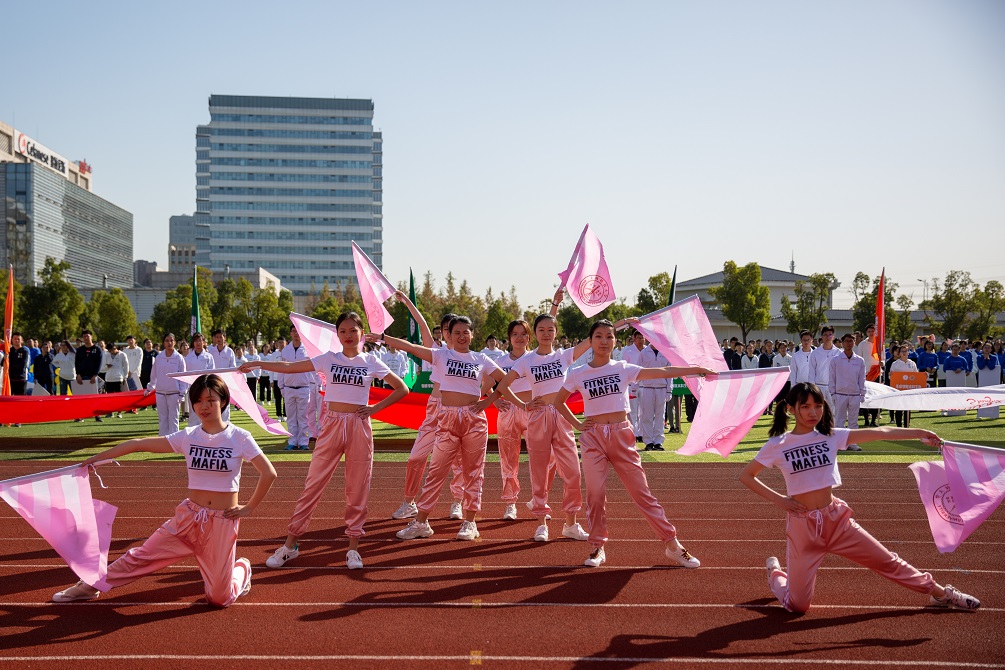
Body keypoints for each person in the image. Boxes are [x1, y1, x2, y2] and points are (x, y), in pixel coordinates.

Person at [739, 382, 980, 613]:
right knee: (797, 606)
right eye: (805, 406)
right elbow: (747, 476)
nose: (813, 412)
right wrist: (780, 500)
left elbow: (880, 431)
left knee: (888, 562)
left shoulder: (831, 436)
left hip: (837, 521)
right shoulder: (777, 444)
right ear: (790, 409)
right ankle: (776, 575)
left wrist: (919, 432)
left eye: (818, 405)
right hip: (804, 527)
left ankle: (941, 593)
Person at [52, 373, 277, 606]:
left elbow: (269, 473)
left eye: (210, 400)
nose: (204, 406)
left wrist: (249, 508)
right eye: (198, 401)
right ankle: (90, 586)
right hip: (188, 519)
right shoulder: (188, 436)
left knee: (219, 599)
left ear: (223, 401)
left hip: (222, 522)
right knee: (140, 557)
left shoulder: (239, 437)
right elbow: (138, 444)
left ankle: (241, 568)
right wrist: (97, 458)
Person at [243, 312, 407, 570]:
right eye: (343, 331)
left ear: (362, 333)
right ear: (337, 335)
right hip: (331, 425)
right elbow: (290, 367)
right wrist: (259, 364)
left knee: (357, 488)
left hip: (359, 427)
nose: (348, 335)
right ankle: (290, 545)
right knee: (313, 484)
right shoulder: (329, 359)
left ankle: (353, 548)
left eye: (353, 330)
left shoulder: (371, 361)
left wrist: (374, 410)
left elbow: (402, 388)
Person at [555, 319, 715, 568]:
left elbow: (661, 372)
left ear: (615, 341)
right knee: (595, 495)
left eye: (609, 336)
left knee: (642, 495)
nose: (604, 341)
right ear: (591, 341)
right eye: (599, 336)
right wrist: (577, 425)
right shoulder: (578, 373)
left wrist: (695, 369)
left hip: (622, 436)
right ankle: (598, 547)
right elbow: (558, 401)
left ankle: (673, 545)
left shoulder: (622, 367)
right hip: (593, 438)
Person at [388, 315, 506, 542]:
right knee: (436, 471)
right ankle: (421, 522)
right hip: (448, 418)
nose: (461, 336)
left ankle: (470, 522)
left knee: (474, 472)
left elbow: (504, 378)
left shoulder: (480, 358)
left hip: (474, 420)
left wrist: (488, 401)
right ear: (449, 335)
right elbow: (412, 346)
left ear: (472, 334)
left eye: (466, 332)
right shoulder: (442, 355)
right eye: (457, 333)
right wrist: (385, 338)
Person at [494, 304, 598, 543]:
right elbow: (502, 386)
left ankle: (571, 523)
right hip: (538, 417)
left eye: (551, 329)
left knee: (573, 472)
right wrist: (523, 404)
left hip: (561, 415)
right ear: (536, 333)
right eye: (542, 329)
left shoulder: (564, 355)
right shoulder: (526, 360)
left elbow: (591, 339)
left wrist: (622, 324)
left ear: (556, 332)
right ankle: (541, 522)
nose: (546, 333)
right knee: (538, 471)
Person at [390, 303, 466, 521]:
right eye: (444, 328)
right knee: (416, 458)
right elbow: (421, 323)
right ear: (442, 332)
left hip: (455, 411)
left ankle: (457, 502)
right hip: (434, 410)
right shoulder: (435, 351)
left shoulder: (466, 355)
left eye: (452, 327)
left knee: (458, 461)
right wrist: (407, 302)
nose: (448, 332)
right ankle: (409, 502)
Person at [145, 333, 188, 436]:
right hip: (160, 393)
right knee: (162, 419)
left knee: (173, 418)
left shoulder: (179, 358)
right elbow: (154, 375)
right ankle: (162, 441)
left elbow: (183, 377)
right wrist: (149, 388)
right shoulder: (159, 357)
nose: (169, 343)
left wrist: (182, 393)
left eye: (171, 340)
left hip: (174, 394)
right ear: (164, 343)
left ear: (175, 342)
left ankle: (174, 441)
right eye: (167, 340)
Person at [828, 334, 865, 451]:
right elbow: (832, 378)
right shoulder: (836, 360)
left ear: (854, 342)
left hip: (854, 395)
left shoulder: (859, 360)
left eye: (851, 341)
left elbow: (862, 378)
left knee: (853, 421)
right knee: (839, 420)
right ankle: (839, 443)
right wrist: (833, 393)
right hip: (840, 394)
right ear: (842, 343)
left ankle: (852, 443)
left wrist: (862, 393)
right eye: (847, 341)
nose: (849, 343)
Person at [279, 327, 313, 450]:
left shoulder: (307, 350)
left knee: (303, 417)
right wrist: (281, 386)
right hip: (288, 388)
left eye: (298, 331)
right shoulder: (285, 351)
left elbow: (313, 369)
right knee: (291, 417)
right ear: (290, 333)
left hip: (304, 387)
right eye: (293, 331)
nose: (296, 334)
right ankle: (292, 441)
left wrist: (316, 384)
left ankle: (303, 442)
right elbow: (281, 370)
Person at [637, 343, 670, 451]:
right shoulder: (644, 352)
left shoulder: (665, 352)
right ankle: (648, 441)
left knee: (660, 416)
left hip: (662, 388)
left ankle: (658, 441)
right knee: (647, 415)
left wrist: (669, 390)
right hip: (647, 387)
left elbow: (670, 373)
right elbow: (638, 370)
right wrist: (634, 387)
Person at [620, 330, 647, 442]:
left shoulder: (647, 350)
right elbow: (623, 367)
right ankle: (634, 433)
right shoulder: (628, 351)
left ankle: (642, 432)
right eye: (639, 338)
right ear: (634, 338)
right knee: (633, 410)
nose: (641, 340)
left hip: (646, 383)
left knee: (644, 410)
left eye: (642, 338)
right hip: (632, 384)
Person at [809, 325, 840, 411]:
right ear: (821, 336)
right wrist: (812, 388)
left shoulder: (839, 353)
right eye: (825, 335)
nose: (827, 337)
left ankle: (834, 425)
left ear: (833, 337)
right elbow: (811, 372)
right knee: (819, 410)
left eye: (830, 335)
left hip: (833, 387)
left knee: (834, 410)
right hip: (819, 386)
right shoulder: (815, 353)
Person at [855, 325, 881, 427]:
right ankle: (866, 419)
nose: (871, 333)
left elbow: (883, 357)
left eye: (873, 331)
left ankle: (873, 420)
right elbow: (858, 359)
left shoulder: (879, 344)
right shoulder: (862, 344)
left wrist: (882, 362)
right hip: (865, 374)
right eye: (869, 331)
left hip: (877, 373)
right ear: (866, 332)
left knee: (875, 398)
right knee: (865, 397)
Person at [889, 345, 916, 427]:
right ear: (899, 353)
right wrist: (890, 375)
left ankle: (907, 425)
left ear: (908, 352)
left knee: (907, 408)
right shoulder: (895, 364)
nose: (904, 353)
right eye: (902, 351)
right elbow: (890, 377)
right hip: (898, 389)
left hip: (909, 389)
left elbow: (916, 375)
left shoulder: (912, 363)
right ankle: (899, 426)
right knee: (899, 408)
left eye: (906, 351)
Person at [103, 342, 130, 418]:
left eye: (112, 349)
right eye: (109, 350)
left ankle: (119, 412)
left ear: (115, 348)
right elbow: (102, 368)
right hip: (108, 379)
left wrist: (125, 377)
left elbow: (126, 367)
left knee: (119, 397)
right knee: (109, 397)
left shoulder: (122, 355)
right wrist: (107, 367)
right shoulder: (107, 355)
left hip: (118, 378)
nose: (111, 352)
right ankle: (110, 412)